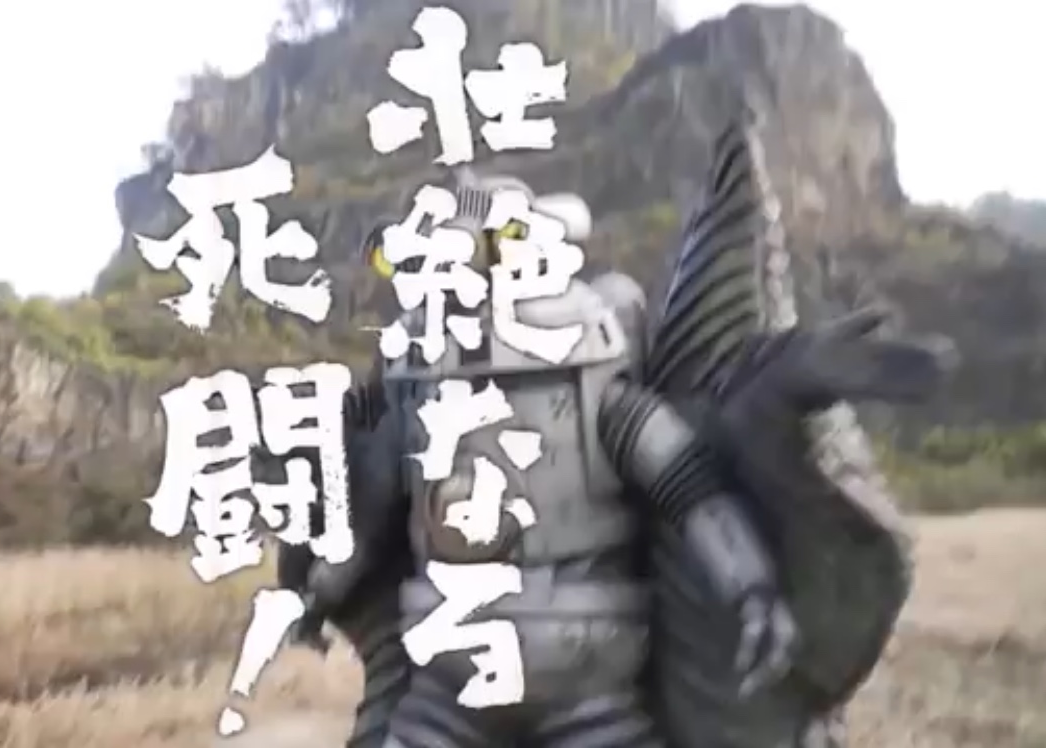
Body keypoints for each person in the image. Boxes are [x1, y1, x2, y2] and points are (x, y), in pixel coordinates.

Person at [280, 117, 952, 748]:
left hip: (584, 670)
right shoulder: (416, 395)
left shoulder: (597, 386)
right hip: (451, 672)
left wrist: (751, 589)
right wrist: (319, 594)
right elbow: (367, 525)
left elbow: (689, 489)